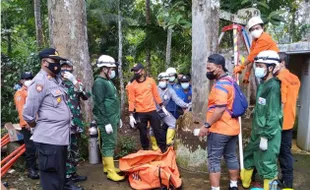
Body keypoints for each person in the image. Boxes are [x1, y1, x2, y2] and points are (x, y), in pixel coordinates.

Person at [23, 48, 73, 190]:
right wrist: (35, 126)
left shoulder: (55, 80)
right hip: (49, 140)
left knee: (59, 179)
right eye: (55, 61)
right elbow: (28, 113)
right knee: (51, 182)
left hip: (59, 140)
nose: (57, 64)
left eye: (58, 61)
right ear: (44, 62)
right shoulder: (39, 82)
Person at [241, 50, 283, 190]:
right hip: (257, 132)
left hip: (268, 134)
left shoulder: (274, 87)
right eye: (256, 65)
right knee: (249, 156)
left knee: (268, 165)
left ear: (270, 68)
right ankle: (245, 183)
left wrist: (266, 136)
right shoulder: (263, 85)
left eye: (260, 66)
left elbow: (274, 115)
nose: (257, 69)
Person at [198, 54, 240, 190]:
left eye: (210, 69)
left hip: (219, 130)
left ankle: (215, 188)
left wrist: (206, 126)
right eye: (207, 68)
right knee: (231, 157)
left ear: (220, 67)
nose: (208, 71)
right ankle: (233, 185)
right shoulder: (231, 81)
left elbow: (220, 108)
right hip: (232, 128)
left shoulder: (221, 85)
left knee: (214, 160)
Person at [92, 55, 124, 182]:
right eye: (111, 68)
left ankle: (107, 167)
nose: (112, 71)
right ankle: (111, 172)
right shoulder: (99, 82)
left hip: (112, 117)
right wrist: (106, 122)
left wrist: (118, 117)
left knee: (109, 142)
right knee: (109, 144)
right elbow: (99, 104)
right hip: (106, 119)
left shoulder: (108, 81)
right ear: (104, 69)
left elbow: (112, 100)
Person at [60, 60, 90, 186]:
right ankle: (66, 178)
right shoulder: (57, 83)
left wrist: (74, 82)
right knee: (65, 151)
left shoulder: (75, 82)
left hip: (76, 123)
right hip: (63, 124)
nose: (66, 69)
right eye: (64, 67)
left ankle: (73, 173)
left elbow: (86, 96)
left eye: (68, 67)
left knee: (74, 150)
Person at [273, 52, 300, 189]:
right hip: (289, 121)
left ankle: (274, 181)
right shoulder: (295, 78)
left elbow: (281, 102)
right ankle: (288, 182)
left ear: (282, 63)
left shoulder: (279, 79)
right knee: (286, 153)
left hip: (278, 123)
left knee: (272, 152)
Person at [127, 63, 168, 153]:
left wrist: (162, 106)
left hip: (152, 110)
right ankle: (145, 150)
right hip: (140, 112)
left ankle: (163, 149)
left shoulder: (151, 81)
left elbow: (156, 95)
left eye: (137, 70)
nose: (136, 73)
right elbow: (131, 100)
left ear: (142, 71)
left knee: (158, 130)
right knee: (142, 132)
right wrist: (131, 115)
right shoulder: (132, 85)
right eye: (134, 71)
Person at [150, 72, 190, 150]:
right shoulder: (154, 89)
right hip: (153, 110)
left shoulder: (170, 90)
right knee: (153, 128)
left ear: (168, 80)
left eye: (165, 80)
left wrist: (186, 105)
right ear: (159, 81)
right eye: (162, 80)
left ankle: (169, 142)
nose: (164, 82)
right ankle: (154, 145)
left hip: (163, 110)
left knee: (173, 123)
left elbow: (177, 100)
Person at [233, 16, 279, 83]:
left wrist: (241, 67)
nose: (255, 31)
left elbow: (251, 56)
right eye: (252, 29)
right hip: (266, 67)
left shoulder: (264, 38)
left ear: (262, 28)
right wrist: (247, 74)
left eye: (257, 28)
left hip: (274, 68)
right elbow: (251, 58)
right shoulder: (255, 40)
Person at [14, 72, 39, 180]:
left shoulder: (35, 90)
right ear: (21, 81)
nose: (28, 80)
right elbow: (21, 110)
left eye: (30, 78)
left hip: (38, 123)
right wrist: (27, 123)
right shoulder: (20, 93)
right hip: (28, 125)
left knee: (38, 146)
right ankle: (31, 170)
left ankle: (37, 167)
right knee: (30, 148)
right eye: (26, 79)